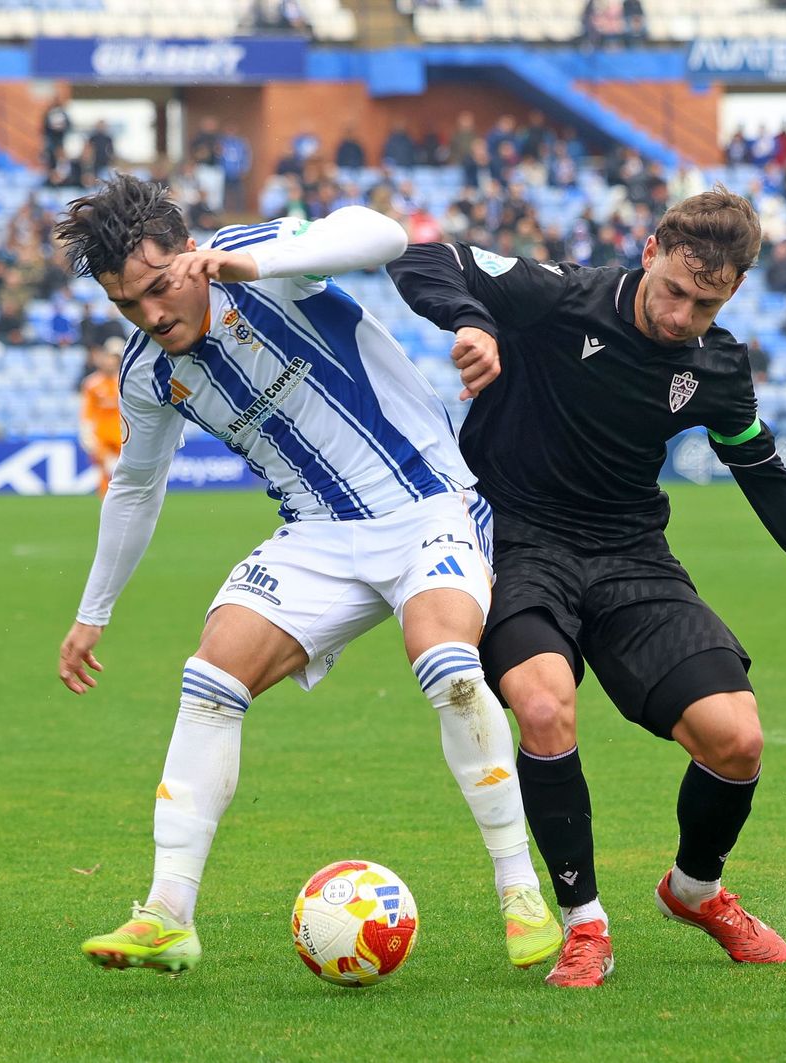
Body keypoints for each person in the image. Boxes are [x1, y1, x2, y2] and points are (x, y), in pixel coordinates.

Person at [387, 187, 786, 988]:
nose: (680, 316)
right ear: (649, 253)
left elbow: (765, 476)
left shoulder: (717, 364)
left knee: (737, 738)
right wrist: (473, 321)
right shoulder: (560, 295)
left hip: (631, 552)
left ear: (732, 291)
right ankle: (584, 923)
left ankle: (694, 889)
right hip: (518, 538)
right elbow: (421, 257)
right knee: (541, 701)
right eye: (673, 290)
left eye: (704, 302)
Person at [52, 175, 561, 977]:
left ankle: (519, 889)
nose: (150, 314)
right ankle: (167, 913)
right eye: (128, 305)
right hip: (319, 537)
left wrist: (258, 266)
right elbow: (137, 486)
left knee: (447, 664)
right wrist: (95, 611)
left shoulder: (262, 259)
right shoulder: (151, 374)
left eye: (157, 288)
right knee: (211, 672)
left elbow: (382, 233)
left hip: (428, 502)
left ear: (188, 254)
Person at [79, 339, 123, 498]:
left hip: (123, 434)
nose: (111, 363)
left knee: (126, 472)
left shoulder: (125, 382)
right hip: (101, 435)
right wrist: (87, 433)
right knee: (105, 470)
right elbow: (87, 412)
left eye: (115, 359)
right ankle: (107, 502)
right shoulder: (92, 383)